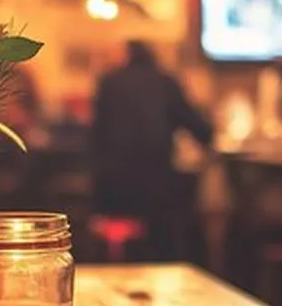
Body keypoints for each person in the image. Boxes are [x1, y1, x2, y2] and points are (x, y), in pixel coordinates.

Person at [91, 41, 213, 262]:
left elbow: (96, 135)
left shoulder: (109, 82)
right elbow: (198, 127)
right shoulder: (166, 82)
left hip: (113, 189)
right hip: (156, 187)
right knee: (180, 214)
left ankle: (118, 263)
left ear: (128, 56)